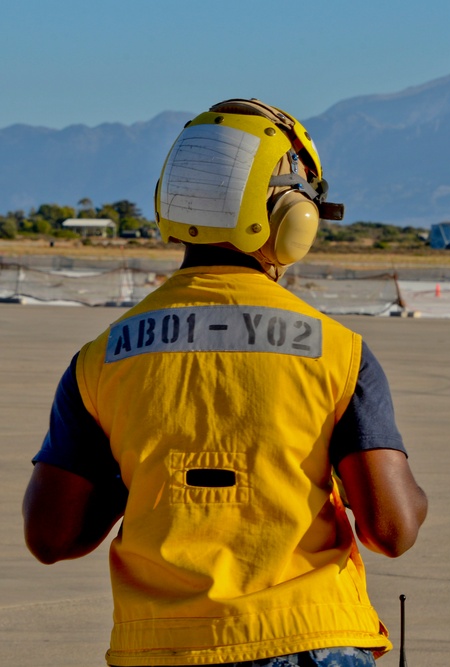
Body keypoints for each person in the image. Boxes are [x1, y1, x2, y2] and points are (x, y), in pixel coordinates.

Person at [22, 98, 428, 667]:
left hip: (159, 648)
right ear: (290, 219)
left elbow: (51, 537)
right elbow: (393, 528)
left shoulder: (101, 358)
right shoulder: (337, 352)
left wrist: (141, 467)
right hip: (309, 637)